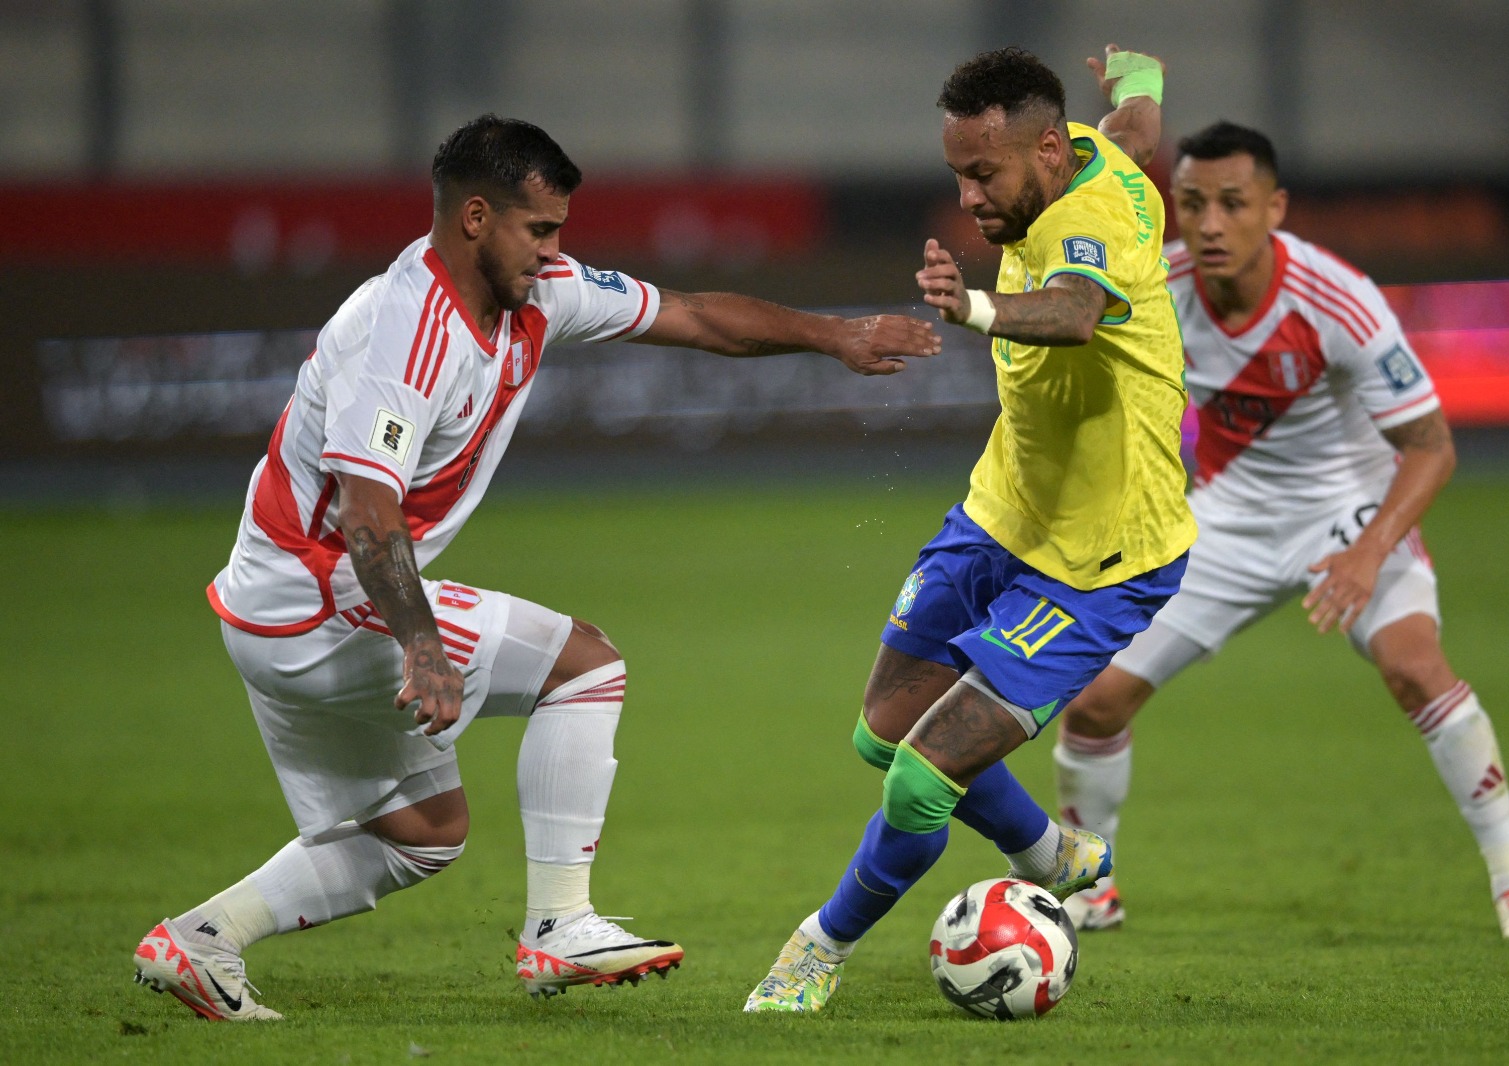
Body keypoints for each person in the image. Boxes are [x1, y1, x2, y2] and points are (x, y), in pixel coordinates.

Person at [130, 114, 941, 1021]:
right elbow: (368, 511)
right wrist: (423, 647)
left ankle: (199, 940)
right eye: (540, 230)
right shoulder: (404, 330)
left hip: (268, 614)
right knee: (586, 665)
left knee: (423, 835)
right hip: (322, 598)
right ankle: (559, 925)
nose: (556, 252)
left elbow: (696, 315)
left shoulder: (538, 291)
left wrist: (834, 336)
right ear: (475, 217)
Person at [745, 46, 1196, 1013]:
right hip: (1002, 509)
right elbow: (1138, 131)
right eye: (957, 171)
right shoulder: (1080, 147)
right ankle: (1047, 851)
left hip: (1103, 556)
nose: (967, 195)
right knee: (882, 730)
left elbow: (1074, 315)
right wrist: (1141, 75)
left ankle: (814, 952)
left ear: (1039, 149)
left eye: (982, 174)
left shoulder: (1100, 216)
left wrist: (974, 307)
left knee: (917, 784)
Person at [1053, 121, 1509, 940]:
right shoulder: (1156, 283)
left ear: (1275, 207)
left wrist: (1367, 554)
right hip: (1227, 517)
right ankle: (1090, 884)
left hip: (1348, 509)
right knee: (1096, 700)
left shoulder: (1338, 300)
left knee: (1415, 669)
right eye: (1191, 204)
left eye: (1232, 203)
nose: (1210, 223)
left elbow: (1430, 447)